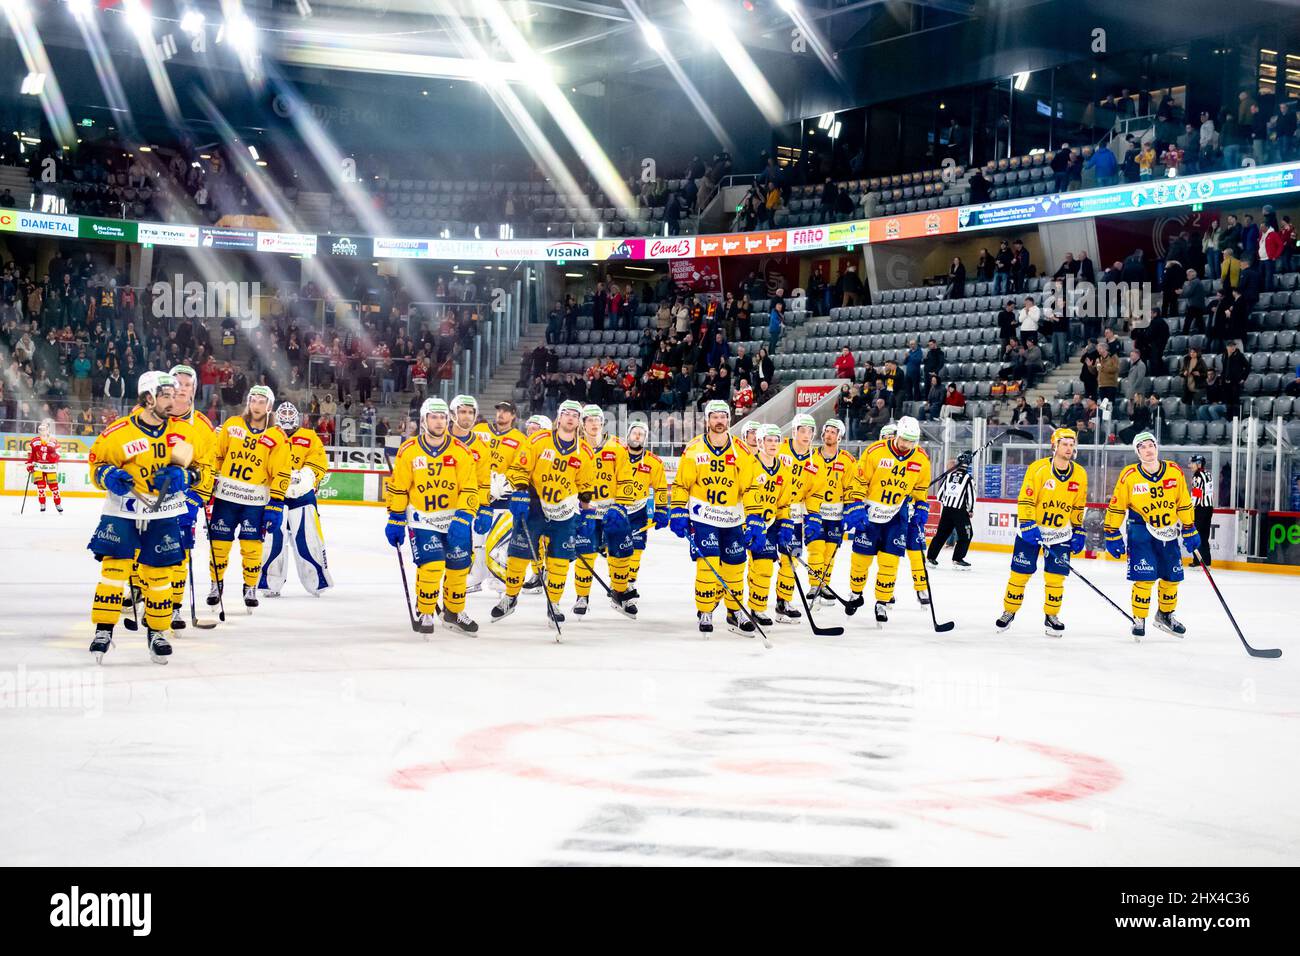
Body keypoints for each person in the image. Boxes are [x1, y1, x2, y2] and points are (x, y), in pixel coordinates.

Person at [87, 371, 208, 664]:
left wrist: (186, 475)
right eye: (165, 395)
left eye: (173, 394)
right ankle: (104, 630)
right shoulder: (118, 433)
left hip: (163, 512)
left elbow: (203, 469)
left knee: (159, 576)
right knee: (114, 571)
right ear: (148, 397)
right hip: (123, 511)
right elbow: (95, 464)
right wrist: (107, 475)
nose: (173, 400)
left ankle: (157, 632)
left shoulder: (183, 433)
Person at [494, 399, 595, 626]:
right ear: (559, 417)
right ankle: (510, 597)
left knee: (559, 560)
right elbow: (520, 468)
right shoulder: (538, 441)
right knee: (519, 555)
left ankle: (554, 603)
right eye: (566, 413)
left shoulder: (585, 451)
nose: (570, 418)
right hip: (535, 505)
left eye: (575, 415)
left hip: (565, 509)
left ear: (579, 422)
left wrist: (587, 512)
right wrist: (520, 492)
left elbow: (586, 484)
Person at [385, 398, 481, 635]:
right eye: (434, 417)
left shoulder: (461, 451)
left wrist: (464, 517)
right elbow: (399, 487)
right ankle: (426, 610)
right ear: (424, 420)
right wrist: (395, 517)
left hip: (454, 520)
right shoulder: (409, 451)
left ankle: (454, 612)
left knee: (459, 567)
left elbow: (470, 487)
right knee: (433, 565)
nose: (440, 422)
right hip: (423, 519)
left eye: (443, 417)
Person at [669, 400, 766, 635]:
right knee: (708, 564)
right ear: (707, 420)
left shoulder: (741, 451)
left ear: (729, 419)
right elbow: (682, 484)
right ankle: (705, 610)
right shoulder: (694, 449)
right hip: (704, 517)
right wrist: (679, 509)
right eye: (715, 416)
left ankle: (735, 612)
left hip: (733, 518)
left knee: (735, 566)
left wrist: (754, 518)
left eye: (723, 416)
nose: (719, 421)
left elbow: (751, 488)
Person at [1104, 432, 1198, 640]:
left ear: (1157, 447)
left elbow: (1183, 501)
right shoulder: (1129, 475)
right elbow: (1117, 506)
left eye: (1151, 445)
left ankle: (1165, 615)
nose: (1148, 450)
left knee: (1172, 578)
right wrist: (1112, 532)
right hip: (1141, 532)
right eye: (1142, 447)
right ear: (1137, 452)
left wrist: (1190, 526)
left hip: (1168, 531)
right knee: (1144, 579)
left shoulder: (1173, 471)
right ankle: (1139, 618)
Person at [996, 427, 1087, 637]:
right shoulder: (1038, 469)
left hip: (1059, 534)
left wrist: (1079, 528)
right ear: (1054, 446)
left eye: (1072, 445)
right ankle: (1009, 611)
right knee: (1019, 574)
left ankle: (1051, 616)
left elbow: (1078, 505)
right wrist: (1027, 523)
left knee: (1056, 578)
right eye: (1064, 444)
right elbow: (1026, 498)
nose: (1069, 448)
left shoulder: (1080, 474)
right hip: (1032, 532)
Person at [841, 416, 932, 624]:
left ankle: (882, 602)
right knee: (861, 560)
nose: (906, 445)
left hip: (896, 516)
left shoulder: (921, 459)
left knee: (889, 562)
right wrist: (855, 505)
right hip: (870, 513)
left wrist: (921, 507)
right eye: (903, 439)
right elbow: (859, 480)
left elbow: (920, 488)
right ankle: (856, 593)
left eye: (911, 441)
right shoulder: (875, 451)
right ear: (897, 435)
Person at [207, 385, 290, 612]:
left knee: (252, 547)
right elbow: (216, 456)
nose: (257, 405)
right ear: (248, 402)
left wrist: (276, 502)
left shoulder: (276, 436)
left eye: (262, 402)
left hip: (255, 501)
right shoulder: (232, 425)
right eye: (253, 400)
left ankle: (250, 587)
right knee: (219, 545)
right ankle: (216, 584)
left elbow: (282, 471)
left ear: (269, 406)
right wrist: (208, 485)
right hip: (226, 498)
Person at [259, 402, 332, 598]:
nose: (288, 418)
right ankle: (269, 582)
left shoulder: (309, 436)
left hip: (302, 496)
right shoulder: (269, 436)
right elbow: (260, 461)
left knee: (308, 539)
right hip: (275, 497)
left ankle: (317, 581)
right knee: (273, 541)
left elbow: (319, 462)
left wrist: (305, 476)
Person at [166, 363, 218, 632]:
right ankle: (143, 593)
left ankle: (174, 606)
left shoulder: (203, 427)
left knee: (179, 552)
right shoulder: (149, 415)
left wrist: (197, 498)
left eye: (187, 385)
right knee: (143, 549)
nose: (182, 389)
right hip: (149, 498)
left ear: (194, 390)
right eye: (177, 383)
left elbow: (209, 467)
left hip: (184, 499)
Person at [602, 419, 668, 614]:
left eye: (641, 433)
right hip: (617, 511)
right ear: (628, 435)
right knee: (617, 551)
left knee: (636, 551)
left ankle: (628, 585)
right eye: (634, 432)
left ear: (645, 438)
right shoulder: (616, 456)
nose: (637, 436)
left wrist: (662, 509)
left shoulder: (653, 462)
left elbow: (661, 487)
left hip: (638, 512)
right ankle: (618, 585)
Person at [471, 401, 527, 594]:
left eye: (506, 411)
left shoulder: (520, 439)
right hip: (479, 493)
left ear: (513, 416)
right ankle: (477, 577)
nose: (501, 414)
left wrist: (506, 482)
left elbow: (520, 466)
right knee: (477, 540)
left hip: (503, 497)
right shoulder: (479, 430)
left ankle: (500, 576)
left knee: (499, 544)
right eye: (499, 410)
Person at [743, 424, 794, 628]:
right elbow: (740, 493)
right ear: (761, 442)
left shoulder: (784, 470)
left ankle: (757, 608)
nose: (773, 444)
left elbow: (784, 503)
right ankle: (749, 606)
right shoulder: (749, 464)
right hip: (747, 522)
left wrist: (786, 522)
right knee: (757, 566)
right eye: (769, 440)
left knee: (764, 567)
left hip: (770, 523)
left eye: (776, 440)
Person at [804, 419, 855, 606]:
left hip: (835, 514)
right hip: (814, 511)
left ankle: (823, 585)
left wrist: (850, 509)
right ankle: (813, 585)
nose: (829, 435)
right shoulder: (810, 456)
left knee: (829, 552)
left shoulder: (848, 460)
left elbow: (850, 486)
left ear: (839, 436)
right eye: (827, 431)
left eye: (833, 432)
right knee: (815, 549)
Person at [447, 395, 493, 595]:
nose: (466, 416)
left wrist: (485, 507)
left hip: (464, 509)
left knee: (460, 557)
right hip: (436, 507)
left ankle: (455, 601)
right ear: (453, 414)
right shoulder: (440, 439)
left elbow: (483, 481)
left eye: (470, 412)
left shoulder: (481, 447)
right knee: (433, 559)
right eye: (462, 411)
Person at [927, 452, 975, 568]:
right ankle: (958, 559)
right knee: (966, 535)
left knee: (941, 534)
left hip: (947, 510)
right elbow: (971, 496)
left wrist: (948, 503)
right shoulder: (968, 478)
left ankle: (930, 558)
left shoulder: (949, 476)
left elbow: (939, 495)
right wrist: (970, 509)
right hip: (960, 511)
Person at [25, 420, 63, 513]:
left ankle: (57, 504)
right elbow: (31, 454)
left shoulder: (54, 441)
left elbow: (58, 455)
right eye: (40, 430)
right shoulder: (35, 441)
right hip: (38, 467)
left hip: (50, 467)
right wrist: (30, 464)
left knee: (54, 487)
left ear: (48, 431)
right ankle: (42, 504)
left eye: (44, 430)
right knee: (41, 487)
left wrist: (49, 457)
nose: (42, 432)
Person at [1188, 454, 1214, 567]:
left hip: (1199, 509)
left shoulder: (1197, 476)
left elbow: (1197, 495)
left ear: (1199, 464)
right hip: (1209, 508)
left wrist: (1190, 508)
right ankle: (1207, 561)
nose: (1190, 465)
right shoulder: (1208, 474)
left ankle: (1198, 561)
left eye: (1192, 463)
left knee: (1196, 535)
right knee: (1204, 535)